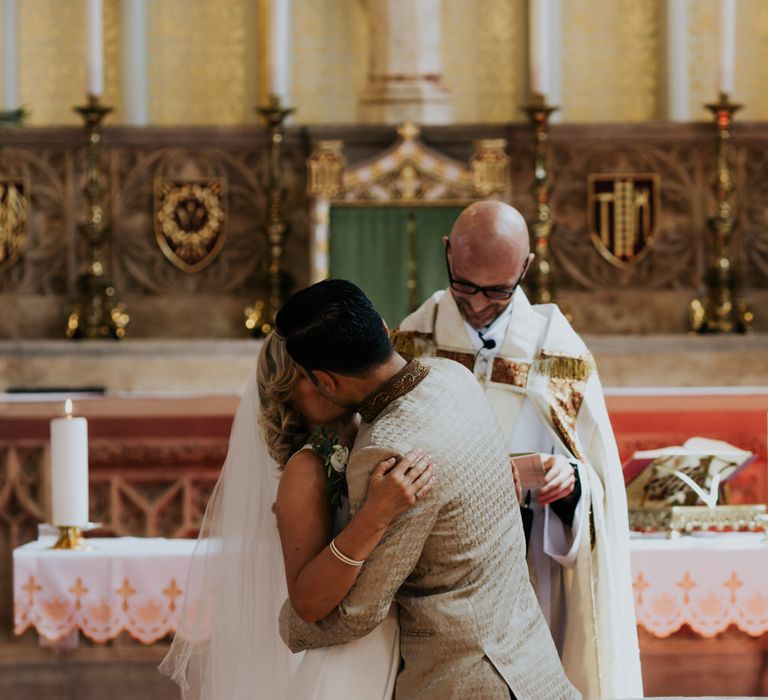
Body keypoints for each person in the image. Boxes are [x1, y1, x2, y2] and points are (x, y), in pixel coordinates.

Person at [275, 279, 577, 699]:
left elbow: (359, 610)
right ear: (383, 328)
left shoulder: (387, 449)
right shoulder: (451, 375)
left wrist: (285, 625)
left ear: (326, 380)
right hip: (530, 658)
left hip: (465, 679)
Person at [392, 200, 642, 700]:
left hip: (528, 576)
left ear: (525, 269)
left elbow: (596, 481)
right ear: (446, 254)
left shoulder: (557, 354)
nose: (480, 304)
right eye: (464, 285)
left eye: (498, 291)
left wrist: (569, 484)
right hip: (435, 583)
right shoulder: (412, 345)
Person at [160, 332, 436, 699]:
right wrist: (375, 515)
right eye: (309, 375)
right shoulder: (307, 468)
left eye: (331, 368)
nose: (325, 382)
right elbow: (307, 602)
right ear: (285, 390)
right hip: (351, 660)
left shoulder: (374, 434)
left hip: (406, 645)